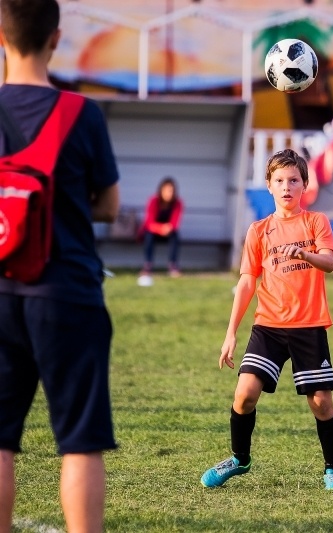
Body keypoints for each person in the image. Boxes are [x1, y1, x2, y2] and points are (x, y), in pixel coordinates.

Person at [0, 0, 120, 531]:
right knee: (80, 442)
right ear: (56, 37)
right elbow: (110, 207)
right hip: (66, 290)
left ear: (1, 38)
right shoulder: (82, 113)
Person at [201, 149, 333, 491]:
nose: (286, 187)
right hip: (268, 326)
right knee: (245, 394)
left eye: (293, 180)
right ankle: (239, 459)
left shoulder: (315, 222)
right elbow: (247, 282)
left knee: (321, 402)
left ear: (304, 185)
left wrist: (306, 254)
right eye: (279, 181)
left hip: (308, 326)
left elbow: (329, 262)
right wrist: (230, 333)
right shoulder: (258, 230)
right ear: (268, 185)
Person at [139, 176, 183, 278]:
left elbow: (175, 223)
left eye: (172, 191)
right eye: (167, 190)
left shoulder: (178, 203)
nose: (169, 193)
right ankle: (148, 265)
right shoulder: (153, 201)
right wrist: (160, 228)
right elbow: (149, 222)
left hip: (168, 233)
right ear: (161, 190)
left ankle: (173, 266)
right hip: (153, 232)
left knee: (175, 235)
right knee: (148, 235)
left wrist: (168, 228)